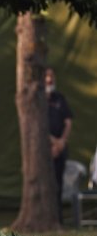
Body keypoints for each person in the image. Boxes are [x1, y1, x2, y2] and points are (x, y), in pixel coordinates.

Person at [45, 67, 73, 223]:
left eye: (51, 76)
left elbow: (68, 121)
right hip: (44, 149)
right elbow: (37, 126)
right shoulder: (38, 99)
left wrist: (62, 141)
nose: (49, 79)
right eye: (47, 76)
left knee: (58, 184)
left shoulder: (60, 98)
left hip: (61, 149)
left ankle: (58, 220)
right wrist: (53, 142)